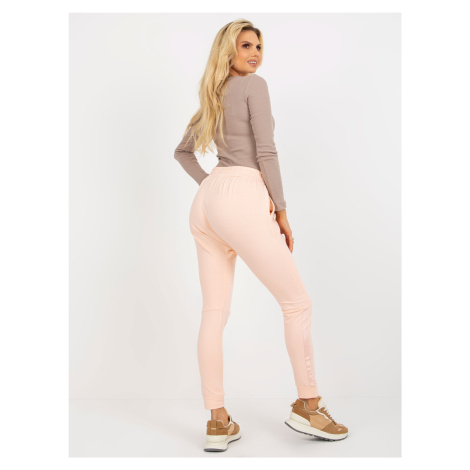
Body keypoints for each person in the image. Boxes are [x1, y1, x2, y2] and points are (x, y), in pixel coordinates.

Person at [174, 19, 349, 452]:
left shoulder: (212, 95)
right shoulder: (255, 86)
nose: (255, 53)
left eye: (258, 46)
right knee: (297, 303)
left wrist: (212, 187)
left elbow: (182, 152)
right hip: (242, 193)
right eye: (245, 45)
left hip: (207, 202)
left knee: (214, 312)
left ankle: (217, 421)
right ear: (228, 51)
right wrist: (282, 211)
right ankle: (308, 405)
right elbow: (266, 151)